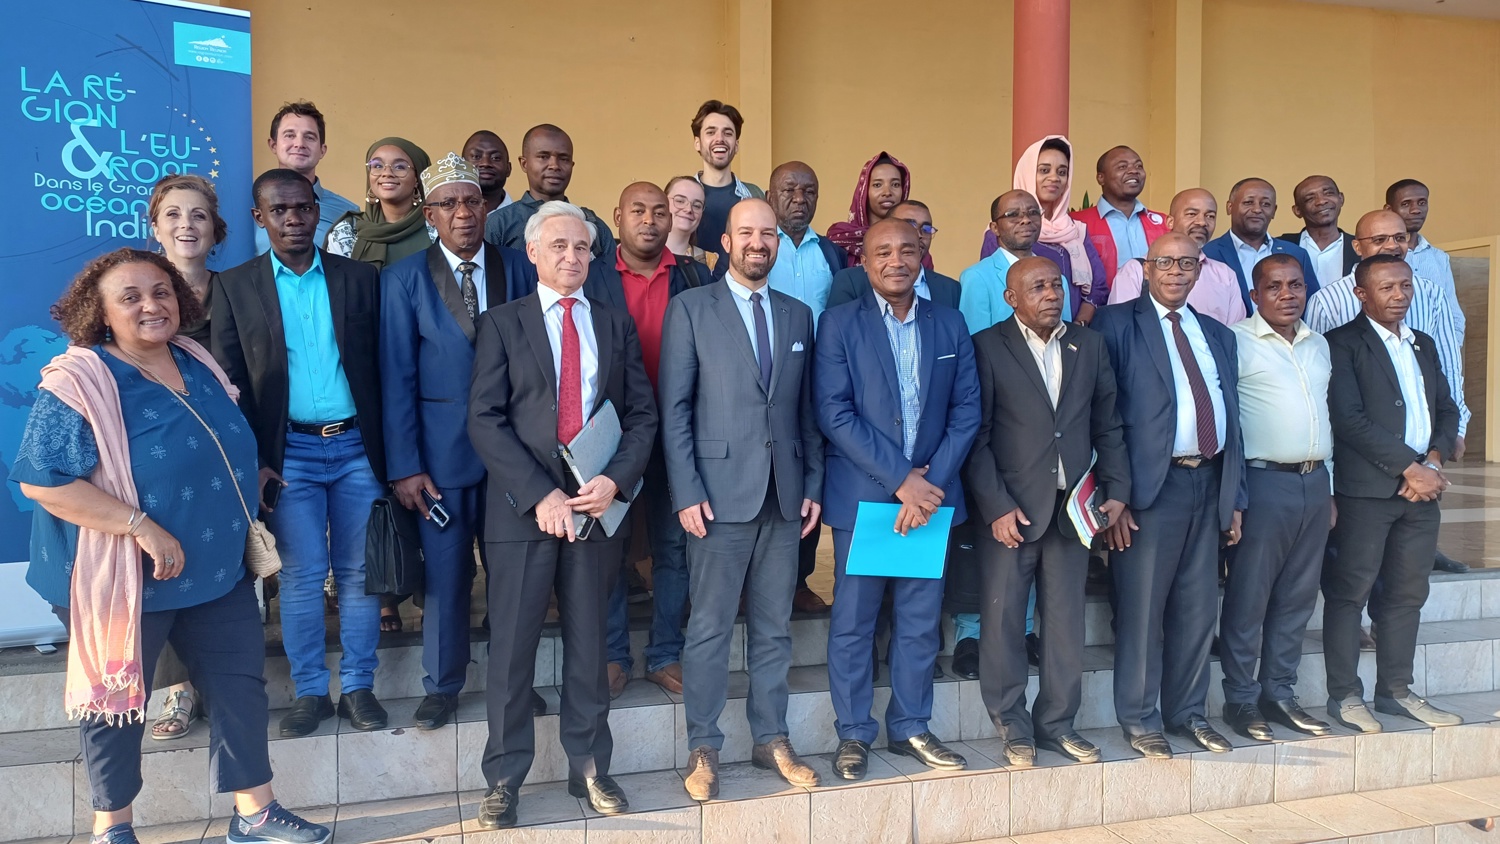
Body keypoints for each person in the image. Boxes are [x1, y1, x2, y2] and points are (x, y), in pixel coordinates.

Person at [17, 249, 330, 844]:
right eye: (129, 297)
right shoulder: (80, 382)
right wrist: (140, 526)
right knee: (117, 706)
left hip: (216, 566)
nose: (151, 305)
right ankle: (113, 828)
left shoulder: (194, 357)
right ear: (100, 312)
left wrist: (250, 473)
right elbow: (43, 481)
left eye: (160, 292)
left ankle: (255, 813)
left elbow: (216, 436)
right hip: (123, 577)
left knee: (240, 686)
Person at [469, 201, 657, 828]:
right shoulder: (502, 323)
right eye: (560, 247)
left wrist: (615, 481)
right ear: (533, 253)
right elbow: (484, 419)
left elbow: (640, 416)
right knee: (513, 652)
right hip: (524, 513)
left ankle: (590, 770)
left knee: (590, 647)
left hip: (596, 509)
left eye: (582, 249)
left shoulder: (613, 321)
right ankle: (504, 779)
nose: (573, 258)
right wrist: (540, 494)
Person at [213, 169, 389, 738]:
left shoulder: (359, 278)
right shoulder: (236, 286)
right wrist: (255, 459)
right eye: (279, 210)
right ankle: (311, 691)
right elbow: (229, 384)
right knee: (303, 575)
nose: (293, 219)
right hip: (289, 456)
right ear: (259, 219)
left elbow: (385, 368)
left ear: (319, 211)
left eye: (302, 207)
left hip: (358, 447)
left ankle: (359, 686)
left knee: (360, 573)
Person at [659, 198, 825, 800]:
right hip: (716, 499)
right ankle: (703, 746)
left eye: (769, 234)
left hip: (784, 497)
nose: (759, 242)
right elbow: (674, 409)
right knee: (707, 628)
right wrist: (687, 490)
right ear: (724, 242)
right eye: (746, 233)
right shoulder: (691, 309)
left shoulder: (798, 314)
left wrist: (812, 487)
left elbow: (806, 413)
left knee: (773, 627)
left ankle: (771, 737)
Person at [815, 218, 980, 781]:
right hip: (868, 498)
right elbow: (834, 413)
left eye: (907, 250)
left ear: (922, 256)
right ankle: (854, 733)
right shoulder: (839, 325)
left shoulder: (950, 324)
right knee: (855, 621)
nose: (896, 260)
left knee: (918, 621)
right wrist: (901, 480)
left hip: (931, 498)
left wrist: (927, 484)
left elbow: (967, 412)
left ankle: (911, 725)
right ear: (864, 262)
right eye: (882, 251)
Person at [378, 153, 537, 730]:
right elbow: (396, 377)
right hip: (439, 463)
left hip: (516, 458)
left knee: (514, 576)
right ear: (430, 215)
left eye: (472, 201)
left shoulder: (520, 268)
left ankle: (511, 682)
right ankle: (443, 685)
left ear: (487, 207)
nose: (463, 213)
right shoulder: (404, 279)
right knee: (446, 577)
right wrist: (405, 466)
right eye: (449, 204)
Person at [964, 256, 1129, 767]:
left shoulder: (1089, 344)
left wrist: (1117, 491)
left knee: (1064, 623)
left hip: (1074, 511)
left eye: (1055, 285)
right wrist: (995, 505)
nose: (1051, 294)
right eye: (1037, 287)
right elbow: (978, 437)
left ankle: (1057, 723)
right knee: (1005, 621)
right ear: (1012, 298)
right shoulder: (988, 347)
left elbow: (1109, 426)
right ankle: (1012, 725)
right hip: (1012, 512)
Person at [1091, 232, 1247, 759]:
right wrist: (1116, 494)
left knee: (1198, 609)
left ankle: (1188, 713)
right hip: (1146, 493)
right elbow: (1103, 417)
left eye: (1187, 263)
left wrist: (1236, 498)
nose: (1177, 271)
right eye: (1167, 262)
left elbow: (1235, 422)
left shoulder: (1217, 334)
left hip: (1209, 483)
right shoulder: (1115, 325)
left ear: (1200, 270)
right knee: (1142, 610)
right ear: (1145, 267)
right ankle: (1140, 717)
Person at [1322, 254, 1463, 732]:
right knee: (1350, 594)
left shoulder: (1422, 344)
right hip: (1367, 493)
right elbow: (1349, 419)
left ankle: (1396, 692)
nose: (1399, 295)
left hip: (1422, 493)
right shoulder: (1342, 344)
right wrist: (1408, 466)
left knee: (1407, 594)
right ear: (1362, 294)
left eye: (1405, 286)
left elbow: (1446, 409)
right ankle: (1344, 696)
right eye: (1386, 288)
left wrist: (1433, 464)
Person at [588, 182, 708, 697]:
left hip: (678, 429)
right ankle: (613, 652)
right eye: (638, 210)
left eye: (661, 211)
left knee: (674, 546)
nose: (651, 220)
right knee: (609, 546)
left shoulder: (694, 276)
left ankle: (664, 653)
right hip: (611, 431)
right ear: (617, 217)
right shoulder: (590, 276)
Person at [1305, 209, 1472, 576]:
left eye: (1399, 238)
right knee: (1355, 565)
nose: (1392, 246)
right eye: (1380, 240)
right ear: (1358, 246)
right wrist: (1407, 467)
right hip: (1363, 461)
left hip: (1424, 446)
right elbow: (1325, 387)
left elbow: (1447, 359)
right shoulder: (1328, 302)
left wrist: (1448, 439)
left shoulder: (1431, 293)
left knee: (1407, 574)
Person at [1219, 255, 1335, 742]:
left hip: (1315, 482)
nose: (1287, 295)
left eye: (1295, 285)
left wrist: (1330, 491)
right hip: (1263, 483)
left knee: (1298, 597)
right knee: (1250, 596)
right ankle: (1241, 700)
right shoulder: (1236, 343)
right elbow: (1229, 427)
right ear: (1254, 295)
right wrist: (1236, 500)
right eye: (1275, 287)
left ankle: (1279, 693)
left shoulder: (1319, 344)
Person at [142, 173, 230, 741]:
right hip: (162, 458)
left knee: (228, 570)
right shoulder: (139, 290)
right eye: (173, 215)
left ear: (215, 228)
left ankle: (223, 680)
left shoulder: (238, 289)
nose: (186, 226)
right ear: (156, 227)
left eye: (197, 215)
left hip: (228, 456)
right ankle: (175, 689)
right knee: (169, 568)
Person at [980, 136, 1109, 323]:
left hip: (1073, 334)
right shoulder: (1003, 232)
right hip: (1020, 335)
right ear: (1027, 172)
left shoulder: (1076, 230)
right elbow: (995, 287)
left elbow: (1098, 285)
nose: (1054, 178)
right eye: (1044, 170)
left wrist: (1079, 325)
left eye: (1062, 172)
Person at [1107, 188, 1247, 325]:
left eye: (1210, 216)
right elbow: (1120, 328)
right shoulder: (1135, 270)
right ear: (1170, 222)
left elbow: (1234, 333)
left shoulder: (1225, 275)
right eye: (1192, 214)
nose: (1202, 222)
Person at [484, 124, 616, 260]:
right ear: (524, 164)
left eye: (563, 159)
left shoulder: (593, 225)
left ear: (572, 165)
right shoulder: (499, 224)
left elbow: (610, 278)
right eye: (543, 157)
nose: (554, 165)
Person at [1202, 178, 1320, 314]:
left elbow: (1311, 306)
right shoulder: (1209, 254)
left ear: (1274, 211)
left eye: (1266, 204)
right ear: (1230, 207)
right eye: (1248, 202)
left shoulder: (1296, 254)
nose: (1257, 209)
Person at [254, 100, 358, 256]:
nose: (299, 143)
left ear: (322, 150)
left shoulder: (347, 212)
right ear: (273, 145)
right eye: (289, 135)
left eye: (309, 137)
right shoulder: (245, 206)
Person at [960, 190, 1071, 334]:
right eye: (1012, 214)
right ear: (995, 228)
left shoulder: (1058, 279)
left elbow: (1066, 336)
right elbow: (976, 342)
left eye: (1033, 212)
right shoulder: (977, 277)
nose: (1026, 219)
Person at [827, 200, 961, 311]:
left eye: (926, 229)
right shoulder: (850, 281)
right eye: (909, 224)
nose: (919, 235)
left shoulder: (950, 288)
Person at [325, 137, 435, 271]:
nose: (387, 173)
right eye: (377, 166)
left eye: (400, 167)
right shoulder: (348, 231)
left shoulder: (437, 228)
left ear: (417, 179)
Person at [1069, 145, 1168, 290]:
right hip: (1101, 309)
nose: (1134, 171)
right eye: (1122, 167)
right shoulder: (1076, 223)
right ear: (1101, 178)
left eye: (1139, 166)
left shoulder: (1163, 223)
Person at [765, 161, 843, 330]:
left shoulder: (833, 253)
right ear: (770, 198)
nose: (800, 199)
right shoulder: (758, 250)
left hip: (821, 354)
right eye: (789, 190)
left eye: (809, 192)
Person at [691, 100, 765, 270]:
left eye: (728, 133)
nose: (720, 139)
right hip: (692, 290)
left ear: (736, 145)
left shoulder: (754, 195)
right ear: (697, 143)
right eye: (711, 132)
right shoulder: (680, 197)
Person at [826, 152, 931, 269]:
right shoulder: (840, 239)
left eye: (895, 184)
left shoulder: (917, 247)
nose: (887, 192)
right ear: (864, 192)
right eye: (877, 185)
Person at [1387, 178, 1464, 339]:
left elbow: (1453, 314)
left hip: (1433, 356)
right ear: (1389, 209)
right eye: (1406, 204)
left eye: (1422, 203)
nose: (1416, 210)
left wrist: (1450, 349)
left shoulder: (1439, 258)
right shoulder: (1381, 255)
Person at [1278, 175, 1358, 289]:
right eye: (1310, 198)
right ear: (1297, 210)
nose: (1321, 201)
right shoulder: (1281, 246)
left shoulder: (1360, 247)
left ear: (1341, 198)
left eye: (1328, 193)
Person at [664, 175, 710, 276]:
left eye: (697, 205)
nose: (689, 209)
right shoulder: (637, 255)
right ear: (663, 202)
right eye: (680, 201)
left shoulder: (712, 263)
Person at [463, 130, 515, 217]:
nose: (485, 163)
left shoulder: (524, 219)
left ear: (508, 169)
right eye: (476, 156)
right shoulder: (444, 216)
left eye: (495, 158)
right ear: (462, 166)